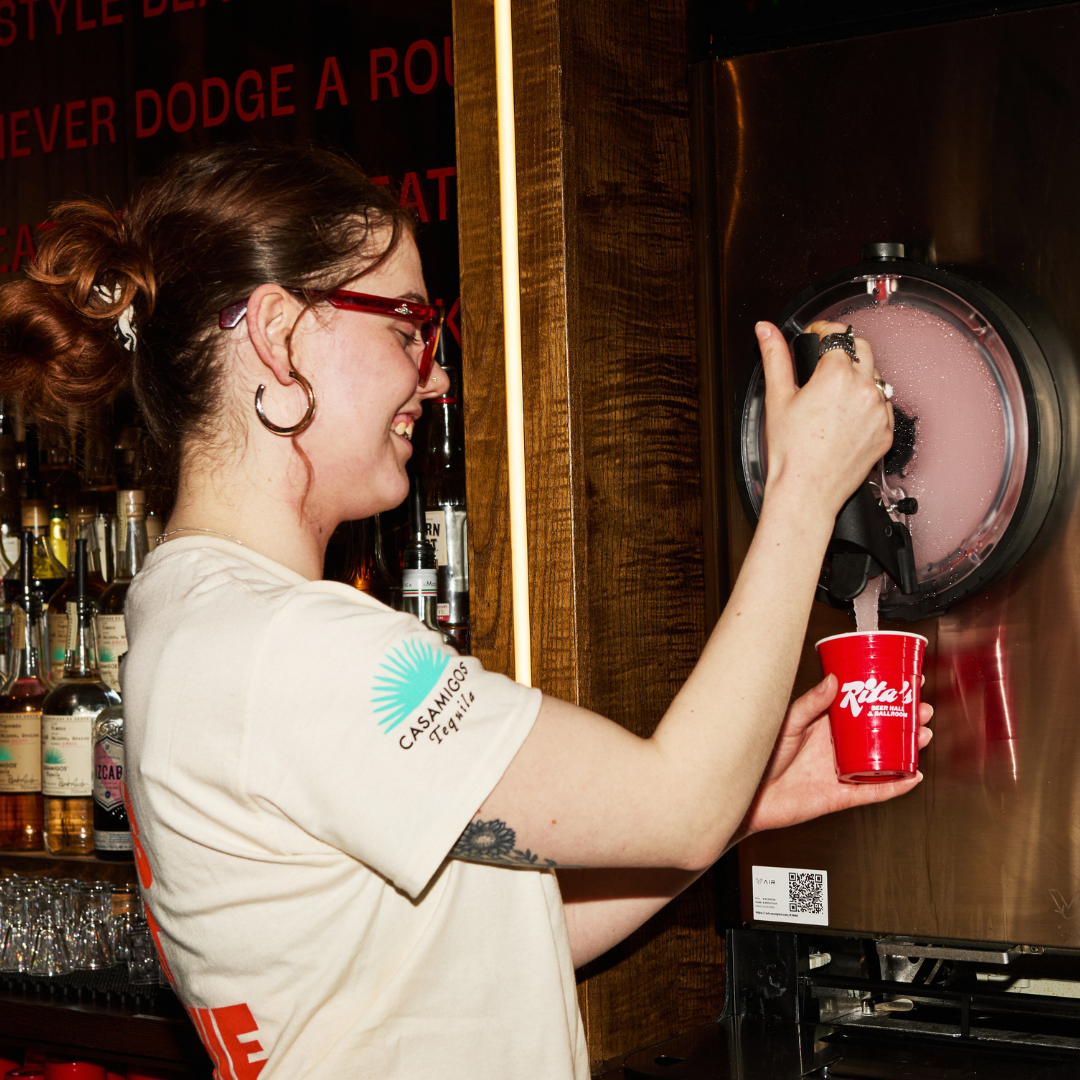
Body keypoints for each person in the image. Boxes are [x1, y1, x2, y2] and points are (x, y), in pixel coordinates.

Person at [0, 144, 931, 1079]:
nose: (437, 376)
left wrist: (740, 803)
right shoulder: (290, 647)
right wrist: (805, 489)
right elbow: (677, 802)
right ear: (280, 333)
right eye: (408, 324)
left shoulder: (188, 613)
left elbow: (477, 949)